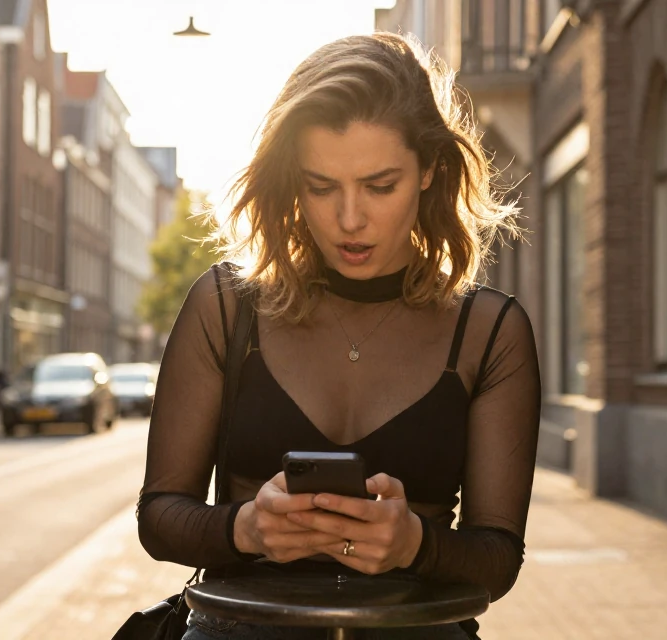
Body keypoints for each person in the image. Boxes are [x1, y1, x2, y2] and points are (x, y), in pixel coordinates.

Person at [138, 32, 541, 640]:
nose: (350, 219)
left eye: (381, 186)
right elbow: (159, 517)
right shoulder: (225, 306)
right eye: (320, 187)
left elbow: (498, 560)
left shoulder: (490, 332)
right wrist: (243, 530)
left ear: (430, 169)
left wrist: (415, 545)